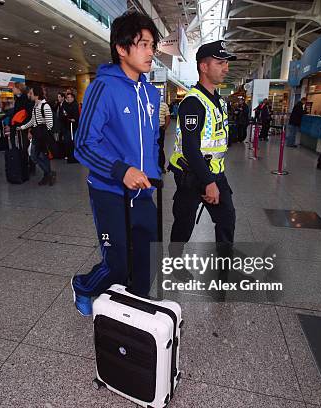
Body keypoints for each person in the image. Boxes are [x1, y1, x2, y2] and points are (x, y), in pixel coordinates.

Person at [70, 11, 161, 316]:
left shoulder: (150, 92)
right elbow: (83, 144)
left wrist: (155, 170)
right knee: (118, 263)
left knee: (147, 261)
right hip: (109, 191)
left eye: (152, 46)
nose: (150, 52)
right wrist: (121, 170)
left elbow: (151, 140)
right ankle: (83, 285)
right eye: (144, 45)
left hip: (144, 191)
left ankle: (133, 317)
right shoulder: (103, 87)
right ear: (122, 49)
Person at [168, 40, 236, 282]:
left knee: (227, 220)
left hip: (215, 173)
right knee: (184, 224)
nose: (226, 67)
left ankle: (223, 274)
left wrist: (215, 179)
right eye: (220, 63)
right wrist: (208, 183)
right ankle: (175, 262)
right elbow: (190, 148)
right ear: (203, 67)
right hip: (193, 176)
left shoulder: (218, 101)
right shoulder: (193, 102)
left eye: (226, 62)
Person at [19, 85, 56, 185]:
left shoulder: (45, 106)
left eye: (31, 93)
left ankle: (47, 174)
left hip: (42, 135)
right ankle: (49, 174)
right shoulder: (35, 106)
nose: (29, 95)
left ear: (36, 94)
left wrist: (44, 134)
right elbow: (33, 121)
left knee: (39, 155)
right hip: (37, 134)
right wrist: (23, 127)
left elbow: (50, 123)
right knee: (35, 155)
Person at [62, 92, 79, 159]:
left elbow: (75, 117)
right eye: (67, 98)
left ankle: (75, 155)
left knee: (74, 140)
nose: (68, 99)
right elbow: (65, 114)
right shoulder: (67, 105)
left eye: (69, 97)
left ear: (73, 98)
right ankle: (70, 154)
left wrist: (71, 118)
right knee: (69, 140)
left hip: (74, 126)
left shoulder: (75, 105)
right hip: (68, 125)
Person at [158, 99, 171, 172]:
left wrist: (165, 127)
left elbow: (168, 117)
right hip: (151, 130)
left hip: (160, 129)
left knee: (160, 148)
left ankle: (161, 166)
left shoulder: (164, 105)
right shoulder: (149, 103)